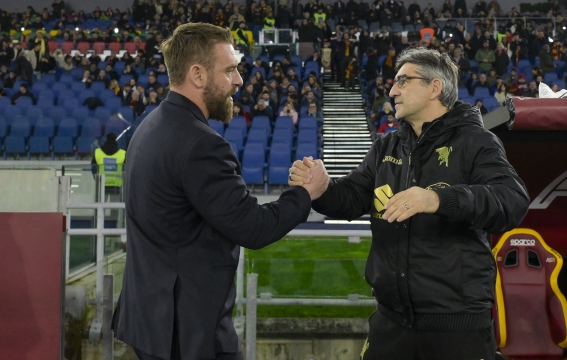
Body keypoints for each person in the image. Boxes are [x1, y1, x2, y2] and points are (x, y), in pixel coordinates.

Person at [289, 47, 529, 360]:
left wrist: (438, 198)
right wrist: (322, 190)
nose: (392, 90)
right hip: (391, 324)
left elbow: (512, 200)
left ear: (435, 87)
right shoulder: (388, 145)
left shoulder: (475, 141)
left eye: (403, 81)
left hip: (456, 329)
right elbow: (351, 199)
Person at [111, 23, 327, 360]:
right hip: (187, 330)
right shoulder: (201, 144)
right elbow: (253, 226)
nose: (239, 80)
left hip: (151, 322)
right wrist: (305, 193)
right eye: (230, 70)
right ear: (197, 75)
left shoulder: (148, 126)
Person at [91, 133, 126, 201]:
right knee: (115, 208)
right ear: (116, 140)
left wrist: (97, 180)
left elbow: (93, 169)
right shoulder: (122, 153)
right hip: (116, 185)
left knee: (101, 207)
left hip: (102, 184)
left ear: (106, 139)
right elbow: (125, 170)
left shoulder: (98, 152)